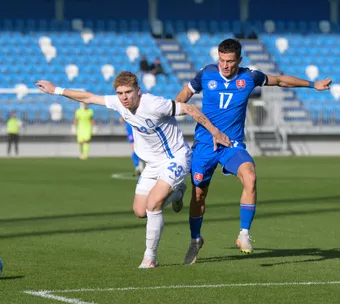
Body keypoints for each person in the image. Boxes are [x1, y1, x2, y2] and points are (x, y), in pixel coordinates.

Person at [36, 71, 231, 268]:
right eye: (120, 93)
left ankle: (150, 257)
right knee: (140, 211)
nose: (124, 97)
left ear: (138, 91)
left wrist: (215, 132)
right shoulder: (118, 103)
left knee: (153, 205)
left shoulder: (154, 104)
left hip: (176, 158)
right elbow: (88, 97)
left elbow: (189, 108)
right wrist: (55, 90)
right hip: (153, 164)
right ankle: (178, 193)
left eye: (128, 92)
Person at [175, 38, 332, 264]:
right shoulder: (206, 74)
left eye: (230, 61)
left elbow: (279, 81)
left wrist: (312, 84)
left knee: (250, 176)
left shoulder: (250, 76)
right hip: (204, 144)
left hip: (232, 144)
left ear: (239, 59)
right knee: (199, 194)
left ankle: (243, 234)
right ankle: (195, 240)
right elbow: (183, 97)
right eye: (221, 60)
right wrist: (172, 110)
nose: (225, 66)